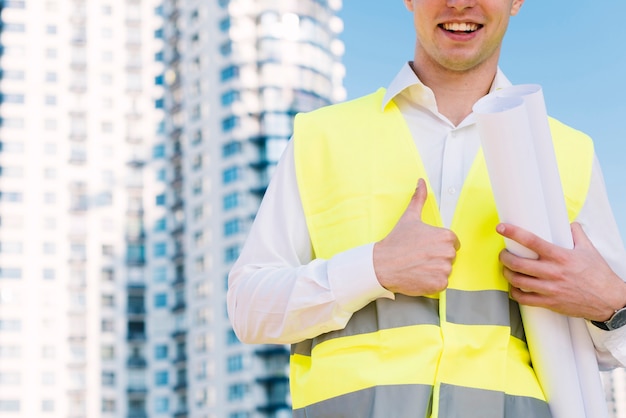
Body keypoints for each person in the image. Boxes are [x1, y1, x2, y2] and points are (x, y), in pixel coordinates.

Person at [227, 0, 626, 416]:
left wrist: (611, 303)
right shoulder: (321, 137)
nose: (459, 3)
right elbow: (248, 309)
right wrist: (373, 268)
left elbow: (609, 350)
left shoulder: (568, 155)